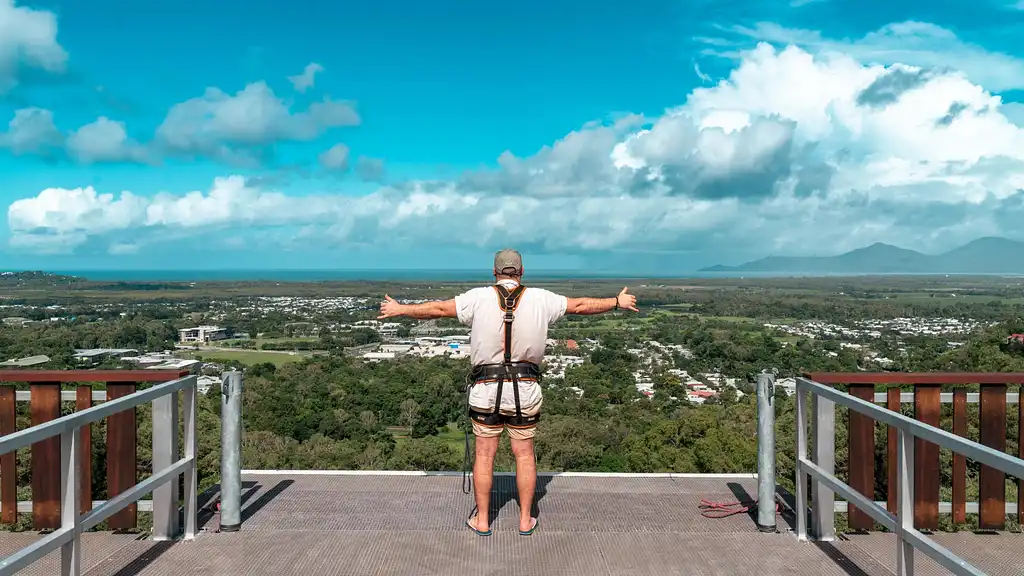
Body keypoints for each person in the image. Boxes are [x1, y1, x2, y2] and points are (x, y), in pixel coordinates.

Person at [377, 248, 638, 536]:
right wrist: (616, 302)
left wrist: (400, 309)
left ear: (494, 272)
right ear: (522, 271)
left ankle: (483, 520)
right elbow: (580, 305)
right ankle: (525, 519)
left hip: (486, 388)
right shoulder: (541, 299)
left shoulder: (477, 298)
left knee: (485, 456)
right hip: (525, 388)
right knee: (524, 455)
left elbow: (437, 309)